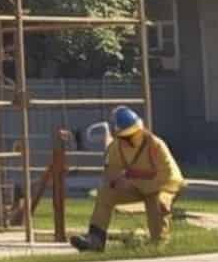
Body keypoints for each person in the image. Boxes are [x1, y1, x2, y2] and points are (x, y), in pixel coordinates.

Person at [71, 107, 185, 251]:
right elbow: (111, 173)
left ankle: (159, 243)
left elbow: (167, 175)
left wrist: (136, 180)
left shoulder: (155, 145)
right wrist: (116, 182)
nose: (129, 140)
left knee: (158, 202)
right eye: (126, 137)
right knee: (106, 192)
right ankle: (95, 239)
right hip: (138, 186)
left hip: (165, 186)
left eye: (132, 136)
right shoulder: (117, 147)